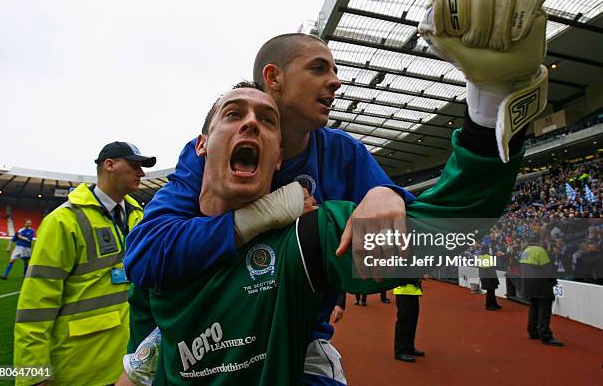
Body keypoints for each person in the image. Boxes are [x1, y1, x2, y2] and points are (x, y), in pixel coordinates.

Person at [123, 75, 526, 384]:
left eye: (267, 120)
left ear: (279, 157)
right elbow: (144, 356)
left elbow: (442, 234)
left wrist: (488, 108)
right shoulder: (159, 246)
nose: (250, 124)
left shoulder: (309, 236)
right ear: (201, 145)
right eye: (234, 114)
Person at [13, 142, 156, 386]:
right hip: (80, 368)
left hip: (131, 364)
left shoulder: (139, 217)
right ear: (109, 165)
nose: (141, 173)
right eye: (134, 166)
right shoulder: (63, 221)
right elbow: (35, 306)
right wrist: (32, 374)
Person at [520, 229, 564, 346]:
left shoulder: (525, 250)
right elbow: (548, 270)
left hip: (528, 284)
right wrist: (553, 281)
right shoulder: (541, 251)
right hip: (541, 285)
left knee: (533, 308)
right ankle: (545, 335)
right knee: (544, 310)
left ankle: (532, 331)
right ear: (540, 240)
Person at [393, 279, 424, 363]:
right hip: (403, 292)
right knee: (404, 323)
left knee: (412, 322)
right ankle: (400, 351)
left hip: (413, 291)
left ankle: (409, 347)